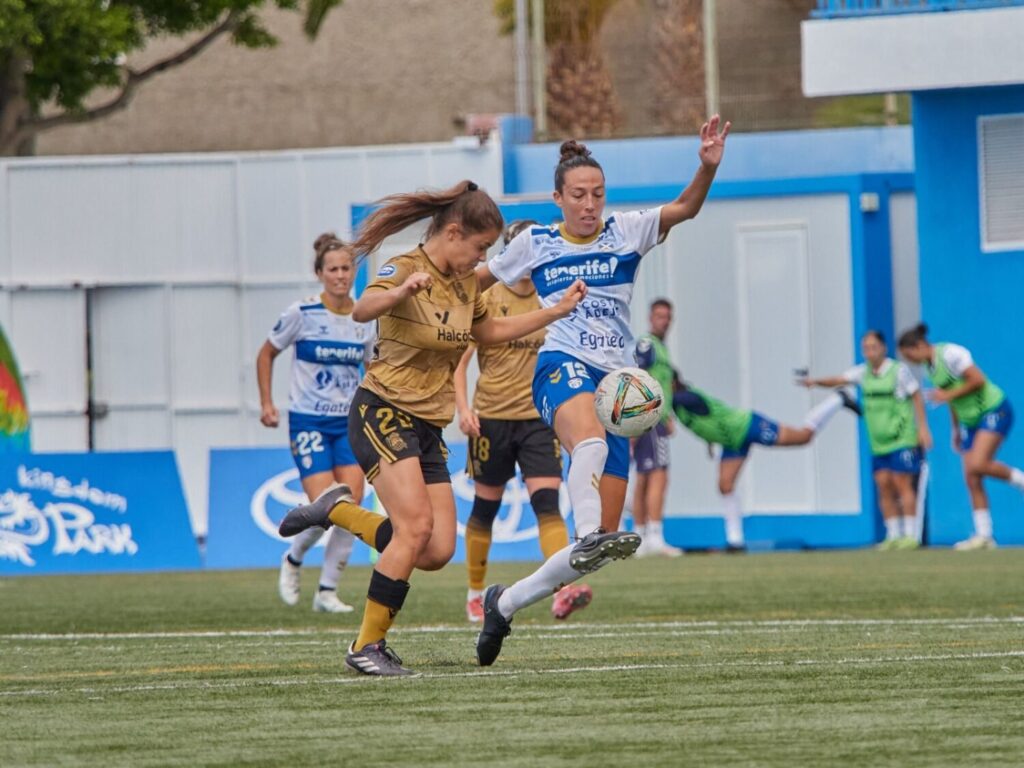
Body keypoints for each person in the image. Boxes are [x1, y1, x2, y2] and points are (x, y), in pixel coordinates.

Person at [277, 180, 587, 676]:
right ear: (455, 232)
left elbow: (486, 332)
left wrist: (553, 312)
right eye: (481, 247)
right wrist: (399, 292)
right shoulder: (405, 266)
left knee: (437, 549)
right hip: (382, 410)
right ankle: (366, 646)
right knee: (415, 528)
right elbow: (362, 309)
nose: (482, 258)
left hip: (426, 425)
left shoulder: (467, 284)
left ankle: (336, 509)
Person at [471, 114, 730, 666]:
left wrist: (705, 168)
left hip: (620, 386)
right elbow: (474, 281)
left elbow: (685, 209)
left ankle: (505, 603)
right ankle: (585, 529)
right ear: (558, 198)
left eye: (598, 194)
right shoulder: (535, 242)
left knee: (600, 550)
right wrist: (424, 292)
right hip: (560, 365)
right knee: (586, 445)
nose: (590, 204)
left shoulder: (627, 230)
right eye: (580, 195)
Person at [455, 220, 592, 624]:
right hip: (491, 418)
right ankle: (475, 593)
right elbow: (457, 363)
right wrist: (463, 409)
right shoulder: (488, 296)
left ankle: (562, 591)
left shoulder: (554, 297)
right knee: (485, 508)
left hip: (538, 417)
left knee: (547, 504)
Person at [256, 234, 374, 613]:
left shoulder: (364, 318)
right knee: (327, 505)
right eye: (333, 269)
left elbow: (372, 369)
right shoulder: (302, 313)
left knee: (351, 506)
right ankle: (292, 560)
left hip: (349, 424)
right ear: (320, 274)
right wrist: (267, 403)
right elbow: (267, 352)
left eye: (346, 268)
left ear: (354, 272)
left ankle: (327, 591)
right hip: (309, 422)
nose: (341, 275)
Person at [671, 377, 860, 551]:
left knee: (804, 437)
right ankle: (735, 541)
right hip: (731, 441)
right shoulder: (677, 406)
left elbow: (690, 403)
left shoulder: (685, 397)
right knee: (725, 485)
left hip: (747, 426)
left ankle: (838, 398)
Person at [801, 330, 932, 550]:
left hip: (901, 436)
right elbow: (839, 379)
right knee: (883, 484)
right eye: (866, 348)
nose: (869, 352)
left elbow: (916, 395)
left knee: (903, 484)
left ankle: (910, 535)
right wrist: (814, 382)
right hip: (878, 440)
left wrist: (923, 428)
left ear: (883, 348)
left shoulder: (898, 371)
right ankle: (892, 534)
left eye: (873, 347)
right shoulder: (863, 373)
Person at [898, 323, 1024, 550]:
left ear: (918, 346)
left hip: (992, 409)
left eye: (910, 355)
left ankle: (1021, 480)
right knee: (971, 475)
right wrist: (955, 429)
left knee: (978, 463)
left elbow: (978, 380)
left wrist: (947, 395)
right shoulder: (930, 368)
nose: (911, 361)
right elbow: (951, 401)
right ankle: (984, 536)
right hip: (970, 421)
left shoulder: (950, 354)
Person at [632, 298, 683, 557]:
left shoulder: (661, 348)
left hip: (653, 417)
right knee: (658, 475)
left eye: (668, 317)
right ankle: (654, 535)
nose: (664, 321)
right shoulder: (647, 345)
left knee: (643, 475)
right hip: (650, 418)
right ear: (651, 317)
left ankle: (640, 535)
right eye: (660, 316)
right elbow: (635, 377)